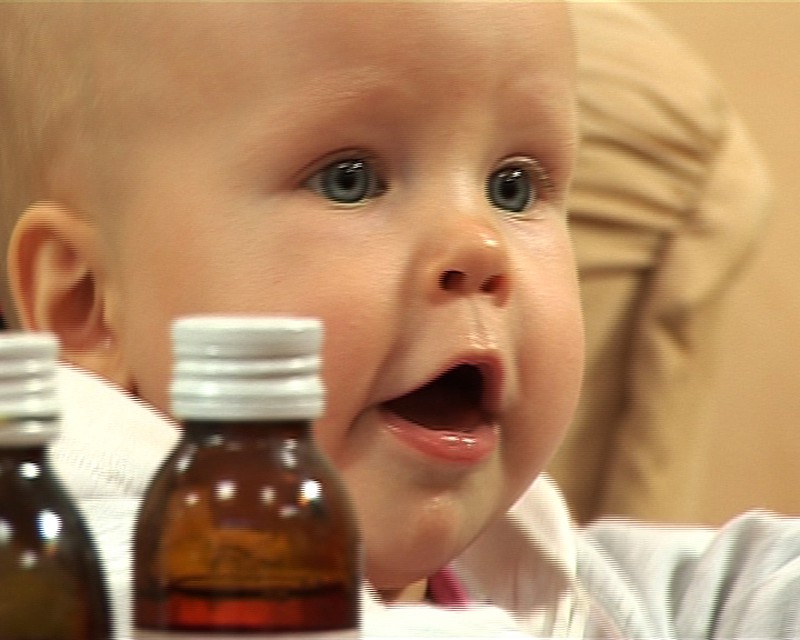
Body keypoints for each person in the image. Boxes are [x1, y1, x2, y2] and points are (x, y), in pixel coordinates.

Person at [1, 2, 798, 638]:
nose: (480, 247)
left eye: (514, 186)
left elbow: (723, 592)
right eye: (350, 179)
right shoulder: (66, 555)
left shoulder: (530, 562)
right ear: (87, 303)